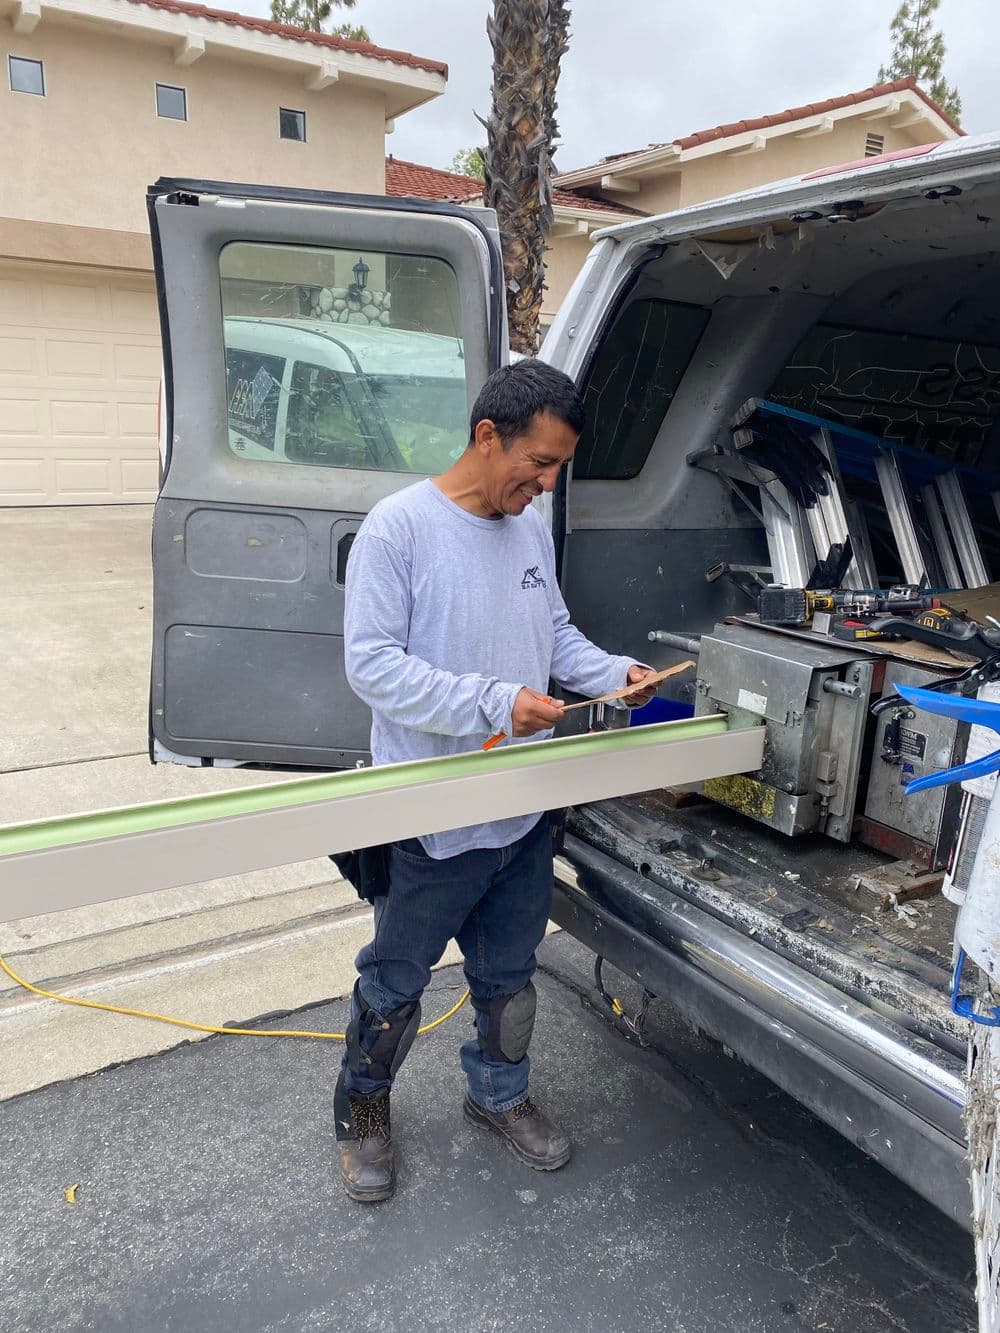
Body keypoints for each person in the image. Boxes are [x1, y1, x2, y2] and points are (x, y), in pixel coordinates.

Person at [337, 358, 658, 1202]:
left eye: (557, 468)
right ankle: (363, 1112)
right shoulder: (399, 529)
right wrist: (492, 703)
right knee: (393, 987)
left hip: (521, 814)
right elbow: (372, 666)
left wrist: (615, 673)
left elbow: (555, 635)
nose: (546, 485)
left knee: (509, 981)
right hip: (432, 821)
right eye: (539, 463)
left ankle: (498, 1095)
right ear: (488, 436)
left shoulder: (527, 528)